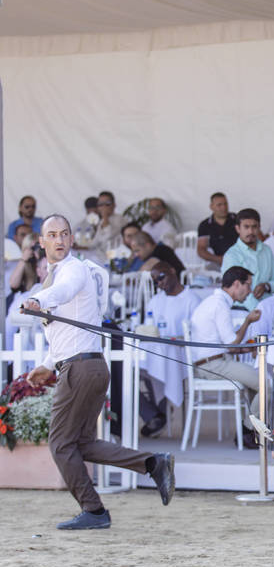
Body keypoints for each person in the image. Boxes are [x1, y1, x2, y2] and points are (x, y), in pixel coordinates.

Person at [23, 215, 174, 529]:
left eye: (64, 234)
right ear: (42, 242)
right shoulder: (53, 276)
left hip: (80, 368)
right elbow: (63, 332)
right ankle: (152, 463)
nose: (60, 240)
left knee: (60, 444)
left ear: (71, 238)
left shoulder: (73, 269)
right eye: (52, 235)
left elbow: (63, 292)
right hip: (85, 365)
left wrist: (38, 299)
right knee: (82, 444)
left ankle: (93, 510)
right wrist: (47, 365)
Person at [190, 266, 264, 449]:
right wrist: (247, 321)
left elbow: (227, 345)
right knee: (265, 383)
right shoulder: (219, 305)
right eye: (248, 285)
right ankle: (248, 431)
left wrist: (249, 349)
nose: (250, 291)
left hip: (214, 361)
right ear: (237, 284)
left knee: (257, 384)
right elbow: (231, 344)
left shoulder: (214, 302)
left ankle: (251, 431)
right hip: (212, 364)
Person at [139, 261, 201, 437]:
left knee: (159, 366)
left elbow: (196, 333)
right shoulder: (155, 300)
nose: (160, 283)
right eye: (155, 281)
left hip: (182, 353)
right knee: (127, 373)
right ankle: (155, 414)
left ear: (172, 271)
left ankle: (159, 414)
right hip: (157, 349)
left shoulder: (192, 299)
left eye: (161, 277)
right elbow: (147, 327)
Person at [221, 208, 274, 310]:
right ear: (238, 229)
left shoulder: (267, 250)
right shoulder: (232, 255)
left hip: (267, 306)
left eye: (254, 227)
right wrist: (260, 311)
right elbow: (235, 291)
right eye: (246, 227)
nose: (250, 231)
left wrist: (267, 286)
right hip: (241, 309)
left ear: (259, 228)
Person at [76, 191, 124, 255]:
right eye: (100, 204)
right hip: (101, 257)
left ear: (114, 205)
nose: (103, 207)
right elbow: (96, 241)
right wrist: (81, 247)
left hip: (115, 257)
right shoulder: (102, 221)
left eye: (107, 203)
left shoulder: (120, 219)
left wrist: (104, 216)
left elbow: (108, 236)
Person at [197, 192, 238, 266]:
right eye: (219, 205)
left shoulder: (237, 219)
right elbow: (201, 249)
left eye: (225, 204)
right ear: (211, 206)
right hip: (217, 262)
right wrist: (219, 259)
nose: (224, 207)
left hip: (240, 259)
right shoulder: (205, 225)